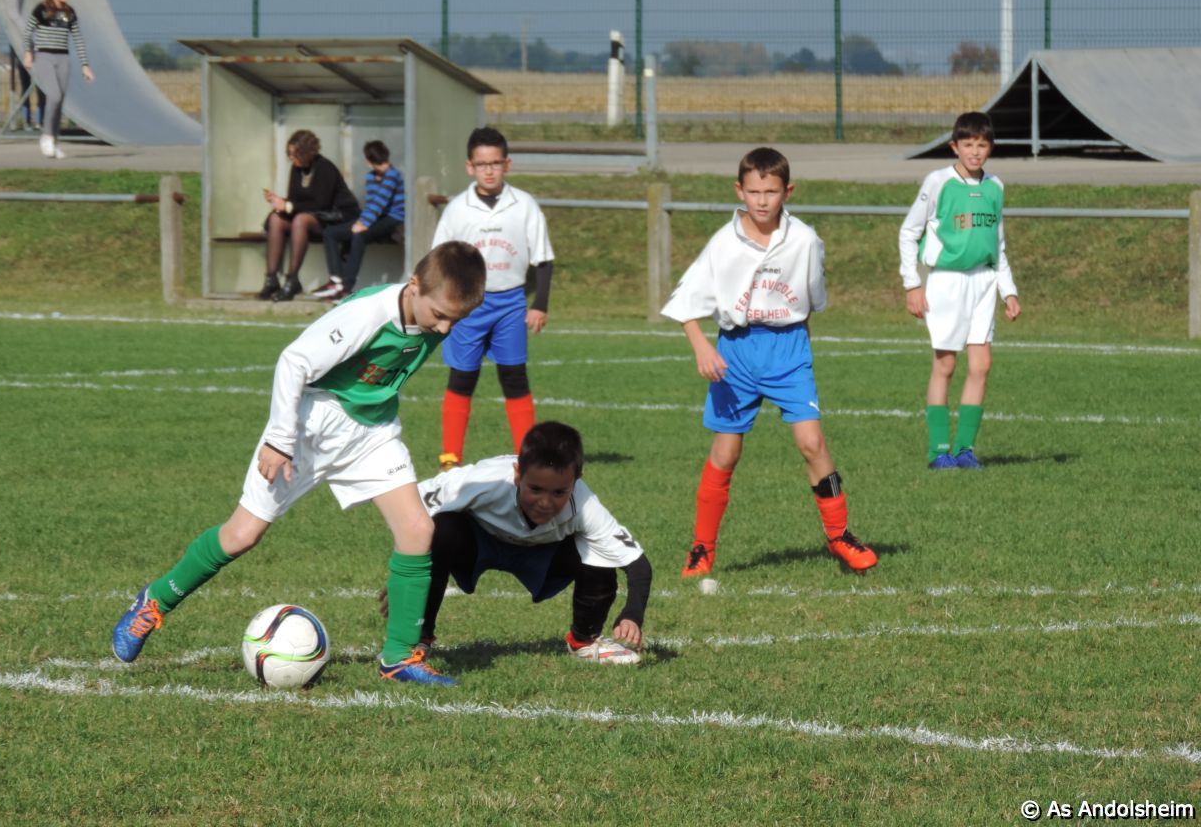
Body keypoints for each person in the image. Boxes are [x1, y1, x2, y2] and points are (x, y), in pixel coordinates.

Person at [112, 241, 488, 686]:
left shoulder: (433, 310)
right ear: (414, 285)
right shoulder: (367, 315)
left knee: (418, 530)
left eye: (454, 320)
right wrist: (280, 439)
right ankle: (155, 601)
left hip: (372, 431)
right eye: (440, 315)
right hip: (310, 424)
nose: (444, 328)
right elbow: (295, 361)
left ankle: (400, 658)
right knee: (242, 535)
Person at [662, 146, 878, 577]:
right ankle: (702, 549)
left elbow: (810, 302)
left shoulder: (805, 240)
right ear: (739, 191)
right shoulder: (723, 243)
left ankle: (839, 536)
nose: (762, 201)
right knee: (726, 452)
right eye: (754, 192)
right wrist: (703, 347)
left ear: (788, 192)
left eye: (771, 192)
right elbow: (685, 301)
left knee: (812, 443)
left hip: (789, 350)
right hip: (736, 352)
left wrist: (800, 351)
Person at [403, 421, 651, 665]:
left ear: (576, 480)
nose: (545, 502)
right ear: (517, 474)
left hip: (543, 554)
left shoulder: (587, 506)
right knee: (440, 529)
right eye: (536, 489)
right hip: (478, 543)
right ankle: (418, 636)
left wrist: (632, 614)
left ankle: (583, 641)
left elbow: (637, 564)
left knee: (601, 557)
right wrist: (407, 574)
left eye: (559, 492)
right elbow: (410, 506)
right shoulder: (480, 481)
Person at [899, 110, 1021, 470]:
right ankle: (939, 452)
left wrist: (1008, 291)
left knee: (982, 364)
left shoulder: (995, 187)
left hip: (983, 282)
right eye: (968, 144)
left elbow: (997, 244)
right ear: (954, 147)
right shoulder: (938, 182)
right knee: (946, 364)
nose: (975, 152)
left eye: (982, 145)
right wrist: (912, 284)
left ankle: (965, 450)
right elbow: (909, 232)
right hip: (947, 282)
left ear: (990, 148)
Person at [432, 127, 554, 469]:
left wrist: (540, 304)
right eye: (482, 164)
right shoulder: (457, 209)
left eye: (496, 163)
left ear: (507, 164)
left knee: (514, 376)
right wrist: (443, 307)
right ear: (469, 166)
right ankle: (450, 459)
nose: (489, 171)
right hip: (467, 305)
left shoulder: (524, 205)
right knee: (462, 377)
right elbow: (439, 260)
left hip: (511, 303)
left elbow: (543, 259)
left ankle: (526, 458)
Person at [259, 130, 361, 301]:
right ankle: (271, 279)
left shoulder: (325, 168)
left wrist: (288, 206)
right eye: (289, 153)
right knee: (276, 219)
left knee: (300, 220)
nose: (291, 157)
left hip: (336, 219)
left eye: (295, 153)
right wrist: (281, 202)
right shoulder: (297, 169)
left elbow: (320, 205)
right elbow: (295, 201)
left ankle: (292, 280)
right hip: (314, 219)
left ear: (306, 152)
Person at [312, 140, 405, 302]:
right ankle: (336, 280)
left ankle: (346, 287)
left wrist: (363, 223)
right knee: (330, 233)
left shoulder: (393, 175)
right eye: (379, 163)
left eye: (384, 162)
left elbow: (380, 203)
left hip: (393, 219)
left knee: (358, 235)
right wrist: (362, 221)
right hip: (375, 217)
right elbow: (371, 204)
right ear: (369, 163)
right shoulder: (370, 177)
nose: (384, 166)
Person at [23, 0, 94, 159]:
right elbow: (28, 32)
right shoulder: (41, 9)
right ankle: (46, 136)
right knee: (53, 95)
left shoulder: (69, 12)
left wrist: (85, 65)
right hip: (44, 57)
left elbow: (78, 38)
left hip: (63, 58)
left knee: (59, 100)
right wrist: (28, 52)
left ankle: (54, 141)